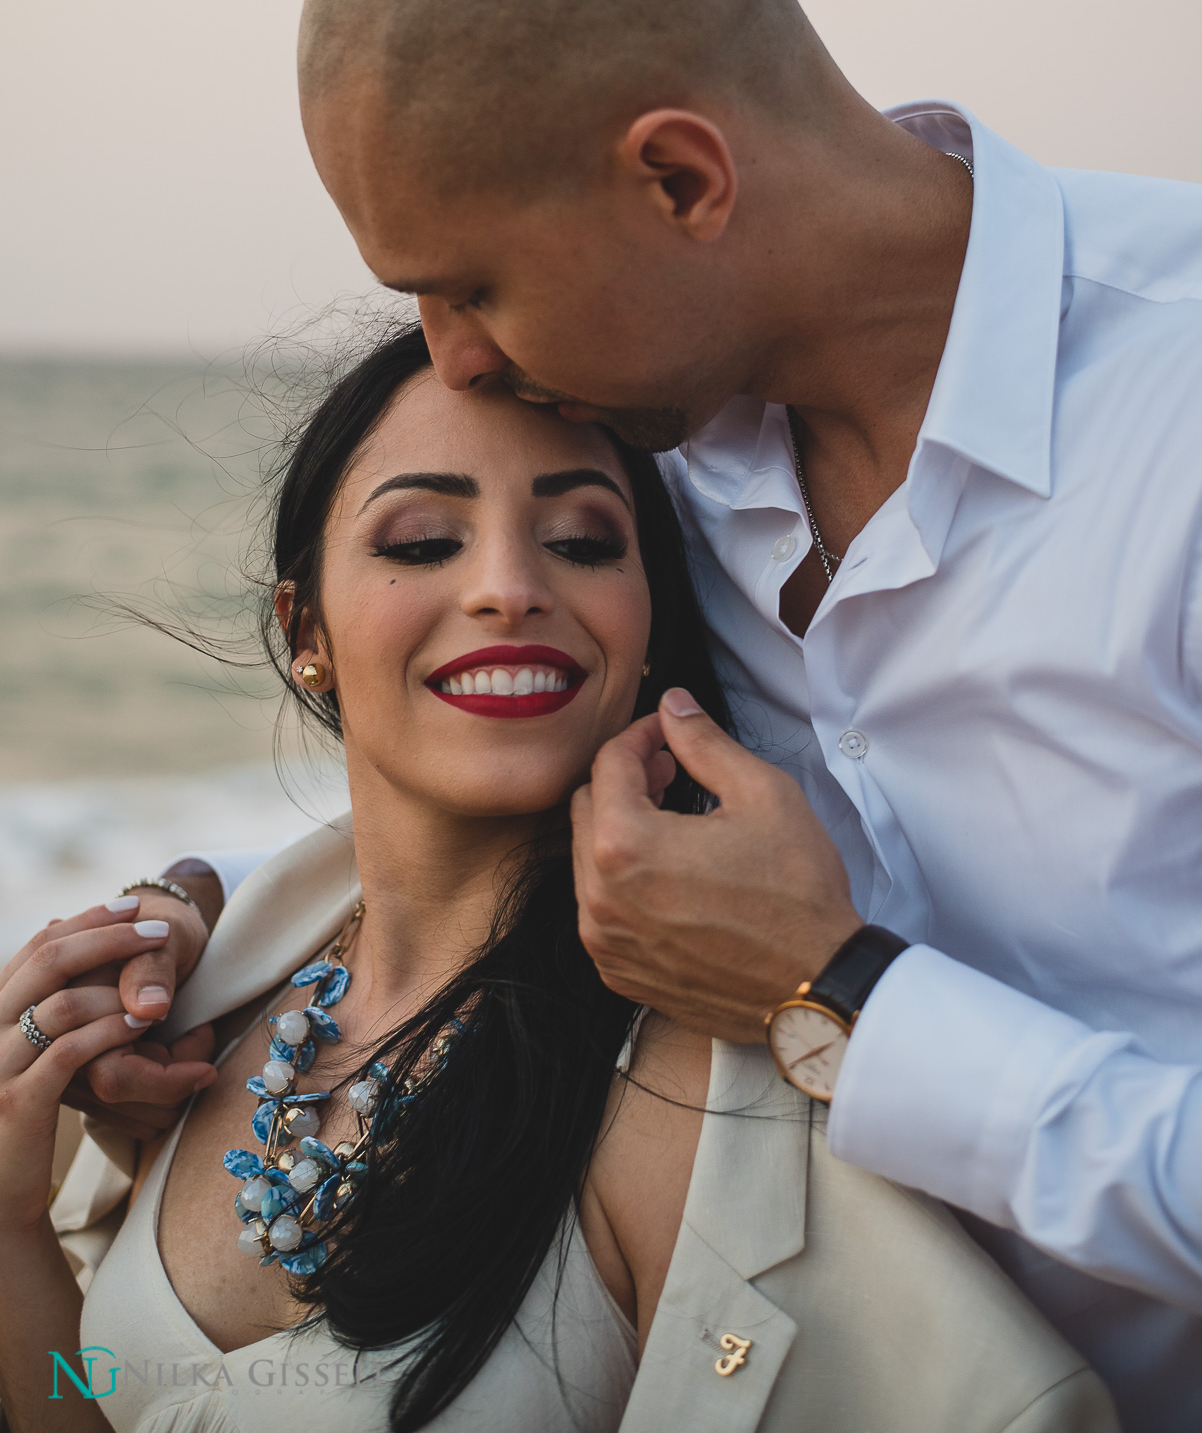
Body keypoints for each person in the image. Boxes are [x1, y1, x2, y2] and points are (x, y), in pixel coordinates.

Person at [74, 0, 1201, 1428]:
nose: (449, 362)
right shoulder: (659, 440)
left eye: (467, 284)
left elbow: (791, 958)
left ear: (677, 178)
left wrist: (843, 999)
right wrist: (202, 931)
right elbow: (485, 758)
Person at [0, 326, 1113, 1433]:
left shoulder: (689, 1087)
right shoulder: (205, 1014)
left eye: (582, 540)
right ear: (308, 632)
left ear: (644, 632)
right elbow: (94, 1402)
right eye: (425, 539)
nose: (507, 587)